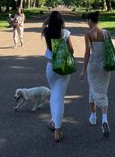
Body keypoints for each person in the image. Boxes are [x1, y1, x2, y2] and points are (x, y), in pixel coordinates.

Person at [42, 11, 74, 142]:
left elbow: (45, 26)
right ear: (61, 22)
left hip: (50, 67)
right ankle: (57, 130)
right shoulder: (65, 33)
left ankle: (54, 121)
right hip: (63, 68)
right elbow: (72, 50)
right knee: (59, 98)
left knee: (54, 95)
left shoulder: (46, 32)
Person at [80, 11, 111, 138]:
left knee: (92, 89)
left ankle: (93, 116)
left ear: (90, 20)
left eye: (87, 20)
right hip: (104, 66)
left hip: (93, 66)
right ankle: (104, 119)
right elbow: (109, 50)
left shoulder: (88, 34)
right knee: (102, 92)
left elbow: (87, 53)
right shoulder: (106, 33)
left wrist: (83, 69)